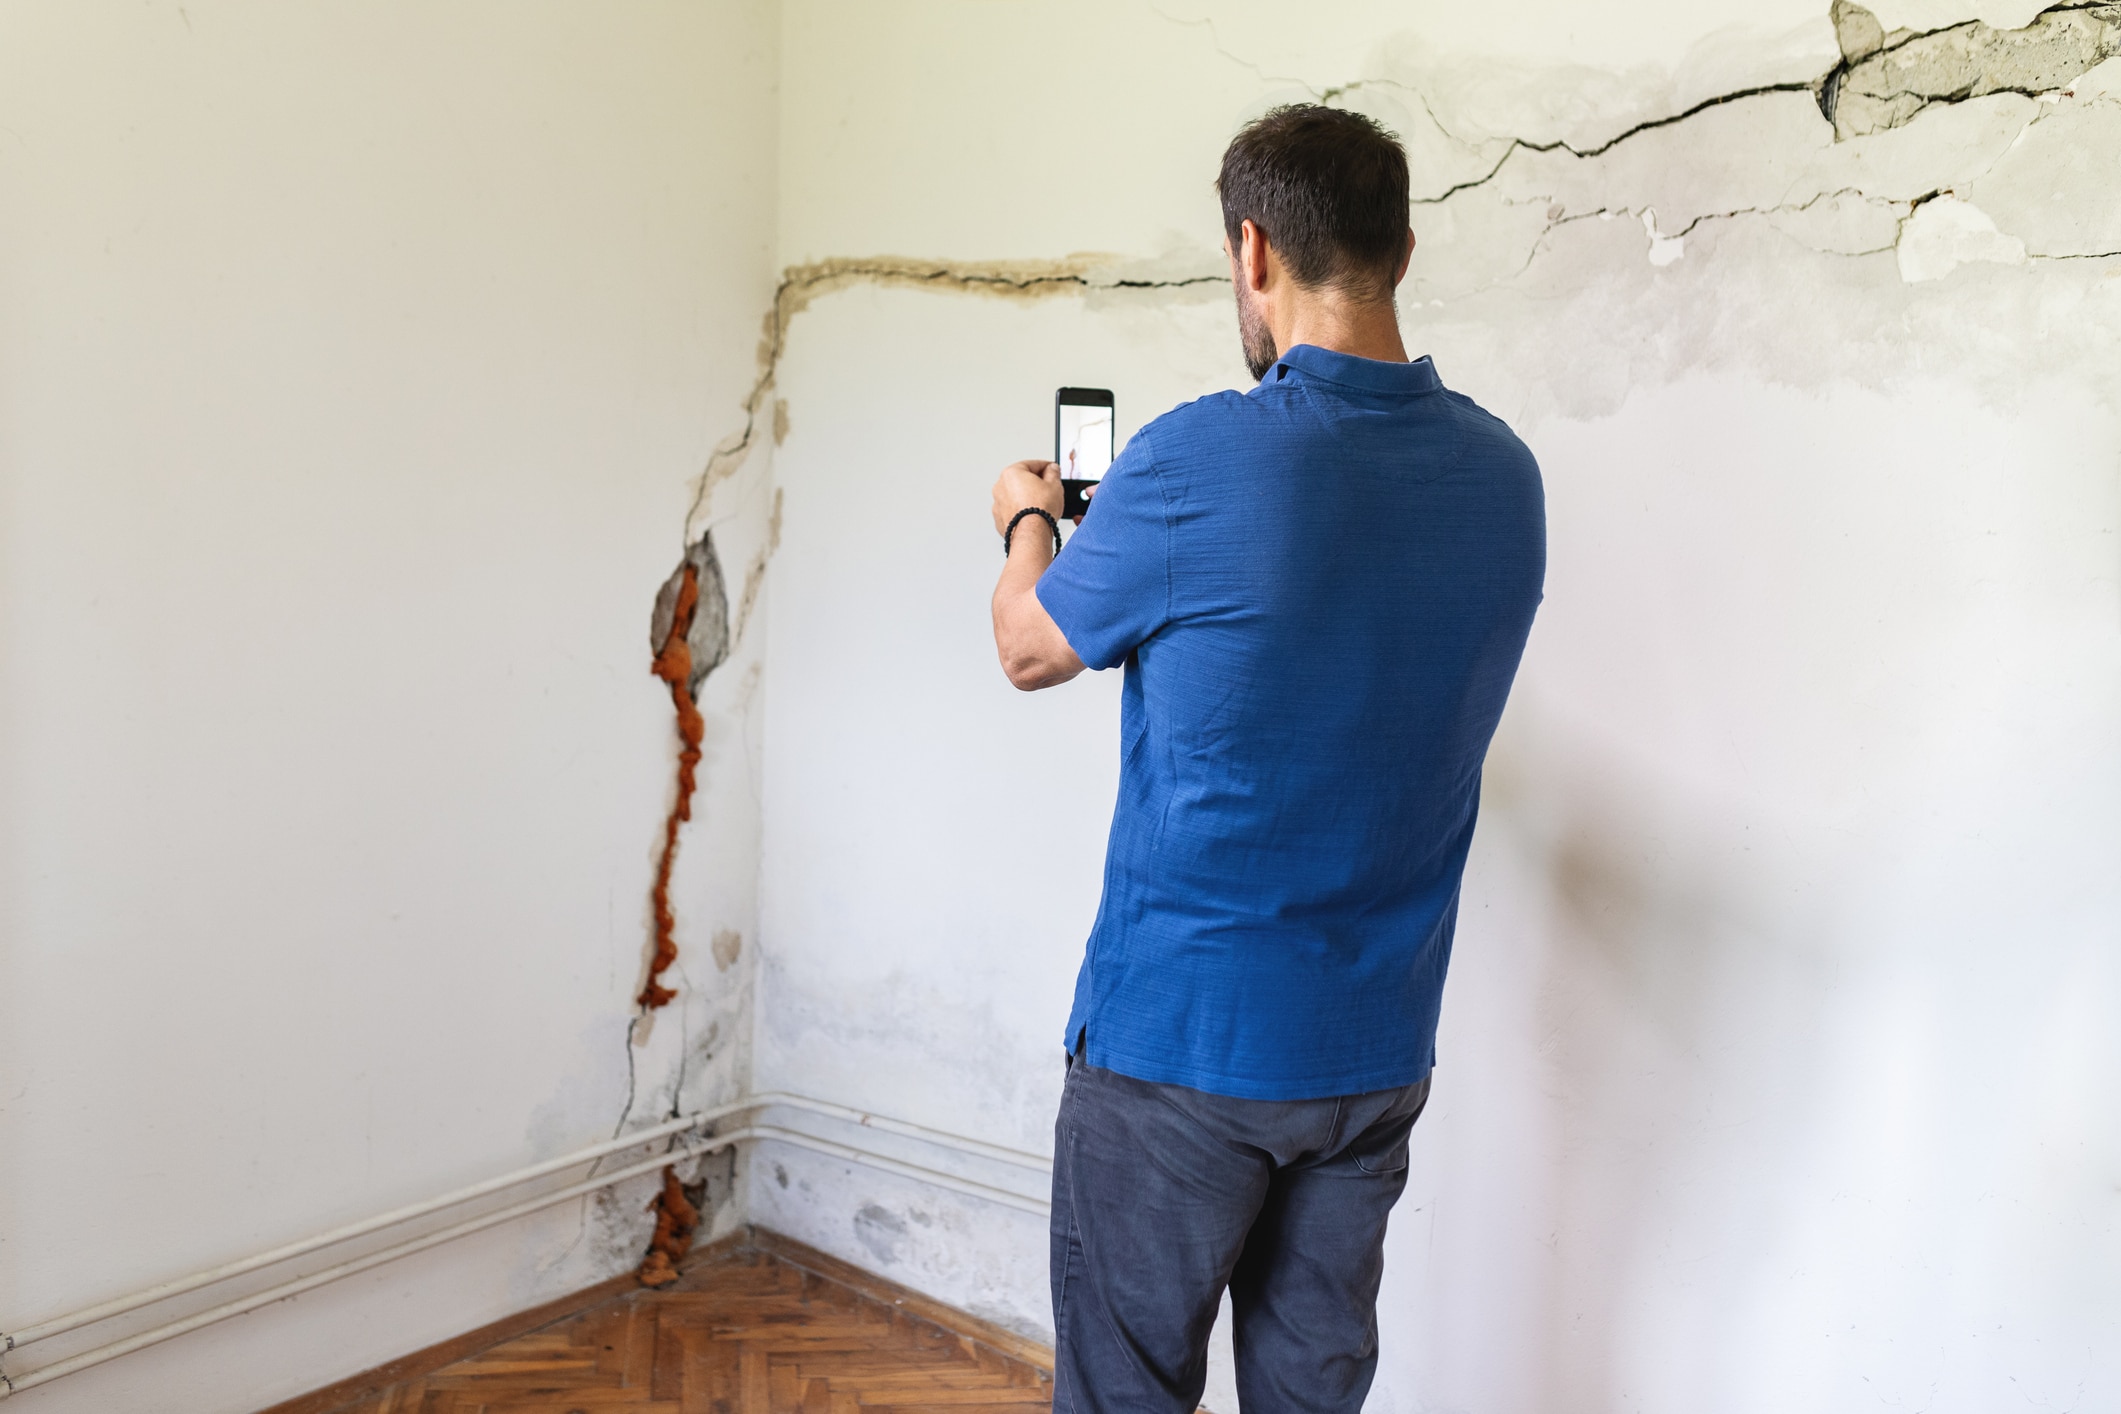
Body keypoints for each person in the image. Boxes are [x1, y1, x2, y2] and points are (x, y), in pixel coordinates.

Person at [986, 104, 1547, 1414]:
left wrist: (1026, 517)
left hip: (1180, 1048)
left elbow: (1028, 647)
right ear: (1401, 251)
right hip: (1372, 1051)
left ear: (1250, 251)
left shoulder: (1193, 459)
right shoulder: (1504, 478)